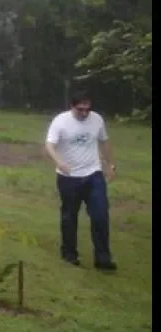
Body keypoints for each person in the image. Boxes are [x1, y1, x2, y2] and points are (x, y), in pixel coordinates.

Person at [45, 91, 117, 271]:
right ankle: (69, 254)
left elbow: (104, 141)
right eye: (80, 109)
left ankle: (103, 259)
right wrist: (59, 162)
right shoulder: (60, 121)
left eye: (87, 109)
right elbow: (50, 145)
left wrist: (110, 164)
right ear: (72, 106)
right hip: (68, 177)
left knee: (100, 215)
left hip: (93, 174)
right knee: (70, 216)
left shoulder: (97, 119)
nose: (84, 113)